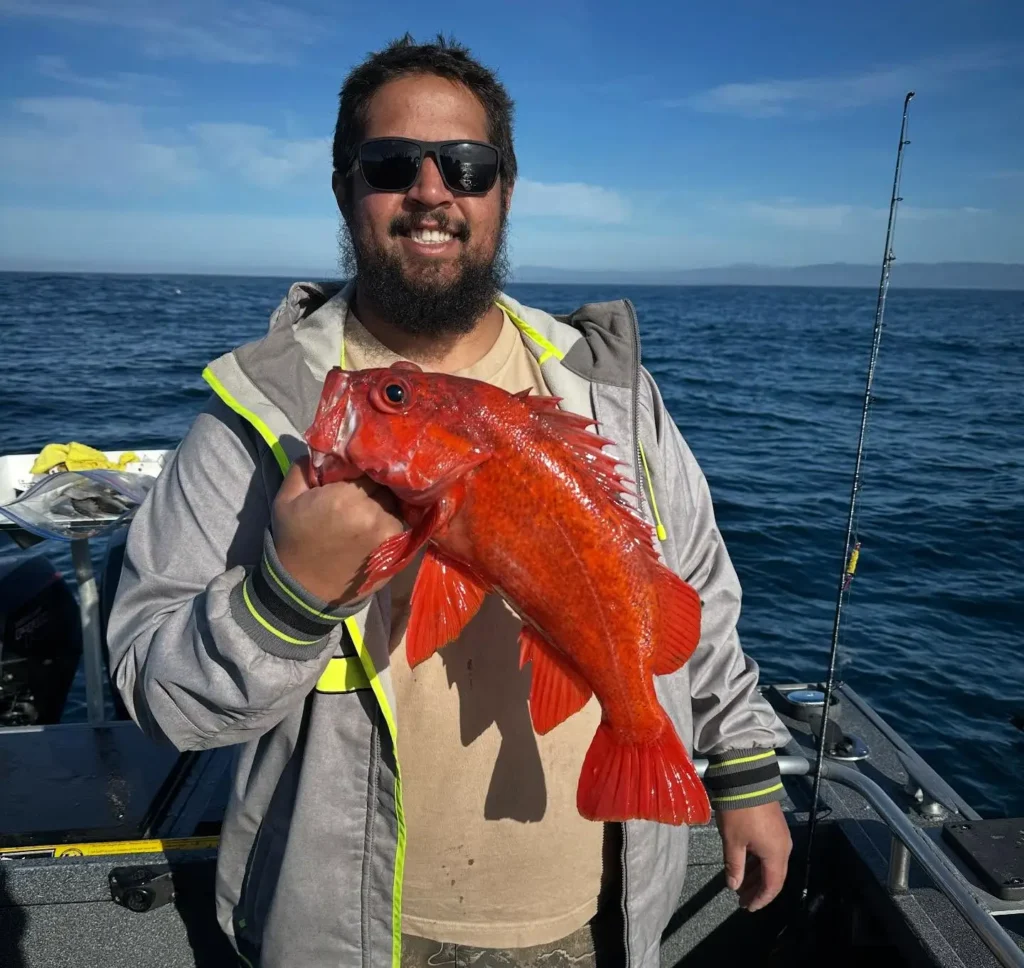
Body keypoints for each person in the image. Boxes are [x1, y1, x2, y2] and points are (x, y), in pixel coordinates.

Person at [107, 33, 793, 968]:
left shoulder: (608, 392)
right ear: (346, 188)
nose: (433, 190)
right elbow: (158, 699)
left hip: (593, 919)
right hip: (345, 935)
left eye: (467, 167)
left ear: (504, 191)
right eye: (393, 165)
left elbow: (694, 593)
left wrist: (745, 772)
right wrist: (287, 596)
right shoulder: (257, 414)